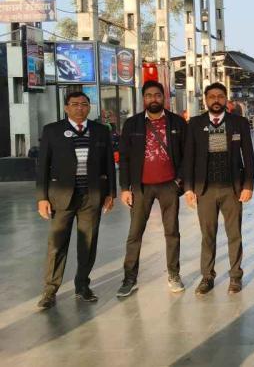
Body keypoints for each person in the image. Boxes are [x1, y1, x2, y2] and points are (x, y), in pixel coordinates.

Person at [35, 91, 116, 309]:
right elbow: (42, 166)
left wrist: (111, 193)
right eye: (74, 104)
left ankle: (82, 286)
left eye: (84, 104)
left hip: (91, 196)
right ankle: (50, 291)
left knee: (87, 244)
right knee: (57, 245)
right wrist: (42, 197)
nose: (80, 108)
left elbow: (109, 163)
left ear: (89, 107)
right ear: (66, 108)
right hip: (61, 197)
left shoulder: (100, 131)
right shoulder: (52, 131)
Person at [116, 81, 187, 297]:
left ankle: (173, 274)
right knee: (135, 233)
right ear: (143, 98)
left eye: (157, 95)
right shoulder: (132, 124)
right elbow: (124, 158)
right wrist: (125, 187)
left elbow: (187, 154)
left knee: (172, 232)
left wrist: (180, 181)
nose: (153, 99)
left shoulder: (177, 122)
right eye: (148, 95)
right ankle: (129, 278)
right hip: (141, 187)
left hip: (169, 186)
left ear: (164, 98)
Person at [183, 83, 254, 295]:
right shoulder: (195, 124)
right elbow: (189, 157)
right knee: (208, 235)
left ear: (226, 99)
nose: (216, 100)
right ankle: (207, 277)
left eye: (220, 96)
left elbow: (249, 156)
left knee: (234, 234)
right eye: (212, 96)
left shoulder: (239, 123)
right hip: (204, 190)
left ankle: (235, 276)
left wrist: (248, 185)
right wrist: (188, 188)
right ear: (205, 100)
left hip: (232, 189)